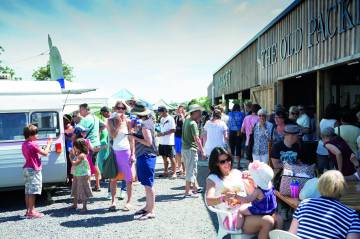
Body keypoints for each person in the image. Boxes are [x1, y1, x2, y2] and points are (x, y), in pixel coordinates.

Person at [205, 147, 279, 239]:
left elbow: (252, 192)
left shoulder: (236, 172)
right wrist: (223, 198)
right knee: (268, 221)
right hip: (232, 217)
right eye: (222, 161)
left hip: (248, 210)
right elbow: (209, 200)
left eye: (228, 159)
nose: (227, 163)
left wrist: (252, 181)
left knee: (279, 219)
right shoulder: (213, 179)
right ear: (216, 163)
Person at [289, 170, 360, 239]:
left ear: (320, 185)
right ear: (342, 188)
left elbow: (291, 235)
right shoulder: (352, 216)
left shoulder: (304, 204)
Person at [129, 102, 157, 220]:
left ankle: (151, 210)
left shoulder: (145, 125)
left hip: (146, 156)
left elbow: (148, 142)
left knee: (148, 185)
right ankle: (148, 207)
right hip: (146, 156)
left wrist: (134, 136)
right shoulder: (148, 122)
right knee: (147, 184)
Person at [231, 161, 277, 230]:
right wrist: (249, 178)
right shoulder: (269, 184)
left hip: (260, 210)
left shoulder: (257, 191)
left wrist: (236, 196)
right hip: (270, 210)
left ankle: (237, 228)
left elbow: (247, 199)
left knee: (240, 210)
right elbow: (259, 180)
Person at [108, 101, 135, 211]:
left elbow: (131, 138)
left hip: (126, 152)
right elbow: (113, 135)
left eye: (123, 108)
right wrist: (118, 122)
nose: (120, 110)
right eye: (118, 108)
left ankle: (128, 202)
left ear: (125, 109)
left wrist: (133, 154)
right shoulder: (110, 121)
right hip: (115, 152)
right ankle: (113, 202)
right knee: (113, 178)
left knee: (129, 179)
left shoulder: (128, 121)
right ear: (115, 109)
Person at [22, 124, 52, 219]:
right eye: (36, 134)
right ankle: (32, 212)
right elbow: (45, 153)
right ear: (30, 135)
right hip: (34, 169)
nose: (37, 136)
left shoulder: (24, 144)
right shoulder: (33, 144)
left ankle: (28, 210)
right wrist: (49, 144)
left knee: (28, 190)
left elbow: (34, 154)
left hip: (27, 168)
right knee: (33, 191)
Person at [182, 104, 206, 198]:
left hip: (185, 149)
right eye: (199, 112)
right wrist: (202, 151)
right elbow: (197, 139)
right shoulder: (193, 123)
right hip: (191, 150)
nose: (200, 114)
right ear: (194, 113)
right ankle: (187, 192)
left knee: (189, 169)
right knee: (191, 171)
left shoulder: (187, 121)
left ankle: (195, 188)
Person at [78, 103, 101, 191]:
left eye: (81, 110)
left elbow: (77, 131)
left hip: (88, 144)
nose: (80, 112)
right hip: (97, 143)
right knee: (95, 164)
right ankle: (97, 185)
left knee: (87, 166)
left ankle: (88, 186)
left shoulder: (85, 120)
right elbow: (103, 126)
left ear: (85, 110)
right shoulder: (96, 118)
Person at [70, 138, 93, 213]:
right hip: (77, 174)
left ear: (79, 147)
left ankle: (84, 207)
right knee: (76, 188)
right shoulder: (79, 154)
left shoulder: (82, 155)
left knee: (82, 190)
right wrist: (73, 154)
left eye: (75, 146)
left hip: (82, 175)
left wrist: (70, 157)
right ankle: (75, 204)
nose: (74, 148)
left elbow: (74, 163)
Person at [316, 103, 339, 174]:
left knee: (322, 172)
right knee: (332, 172)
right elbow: (337, 137)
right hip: (332, 148)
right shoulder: (335, 122)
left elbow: (318, 135)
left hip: (321, 147)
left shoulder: (322, 120)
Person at [157, 106, 177, 179]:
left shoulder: (171, 118)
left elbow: (173, 130)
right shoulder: (161, 118)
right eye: (159, 112)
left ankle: (174, 173)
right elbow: (161, 129)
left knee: (172, 158)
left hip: (169, 142)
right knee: (164, 158)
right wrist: (159, 132)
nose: (159, 113)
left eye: (160, 112)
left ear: (165, 111)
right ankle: (165, 172)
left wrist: (163, 134)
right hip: (162, 141)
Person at [228, 103, 244, 169]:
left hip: (231, 131)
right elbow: (243, 123)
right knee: (238, 148)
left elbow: (229, 122)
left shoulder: (230, 114)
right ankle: (238, 165)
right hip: (238, 132)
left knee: (232, 148)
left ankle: (230, 165)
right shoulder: (241, 114)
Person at [174, 105, 186, 177]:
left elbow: (185, 126)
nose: (179, 111)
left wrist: (183, 118)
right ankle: (180, 168)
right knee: (178, 153)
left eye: (181, 110)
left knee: (183, 153)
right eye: (178, 110)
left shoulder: (187, 117)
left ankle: (185, 170)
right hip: (177, 137)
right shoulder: (175, 117)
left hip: (183, 137)